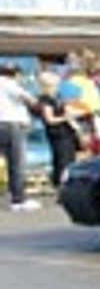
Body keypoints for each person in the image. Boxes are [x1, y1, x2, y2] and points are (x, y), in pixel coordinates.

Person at [0, 63, 40, 211]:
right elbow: (30, 99)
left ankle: (17, 197)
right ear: (15, 74)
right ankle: (18, 199)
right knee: (16, 163)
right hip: (11, 125)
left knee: (9, 161)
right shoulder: (9, 84)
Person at [36, 69, 78, 189]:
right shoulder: (45, 100)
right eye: (55, 84)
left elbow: (66, 111)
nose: (57, 86)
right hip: (57, 133)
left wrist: (74, 124)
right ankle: (60, 185)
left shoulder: (58, 96)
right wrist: (65, 117)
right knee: (62, 159)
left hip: (67, 131)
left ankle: (67, 183)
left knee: (70, 158)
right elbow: (49, 119)